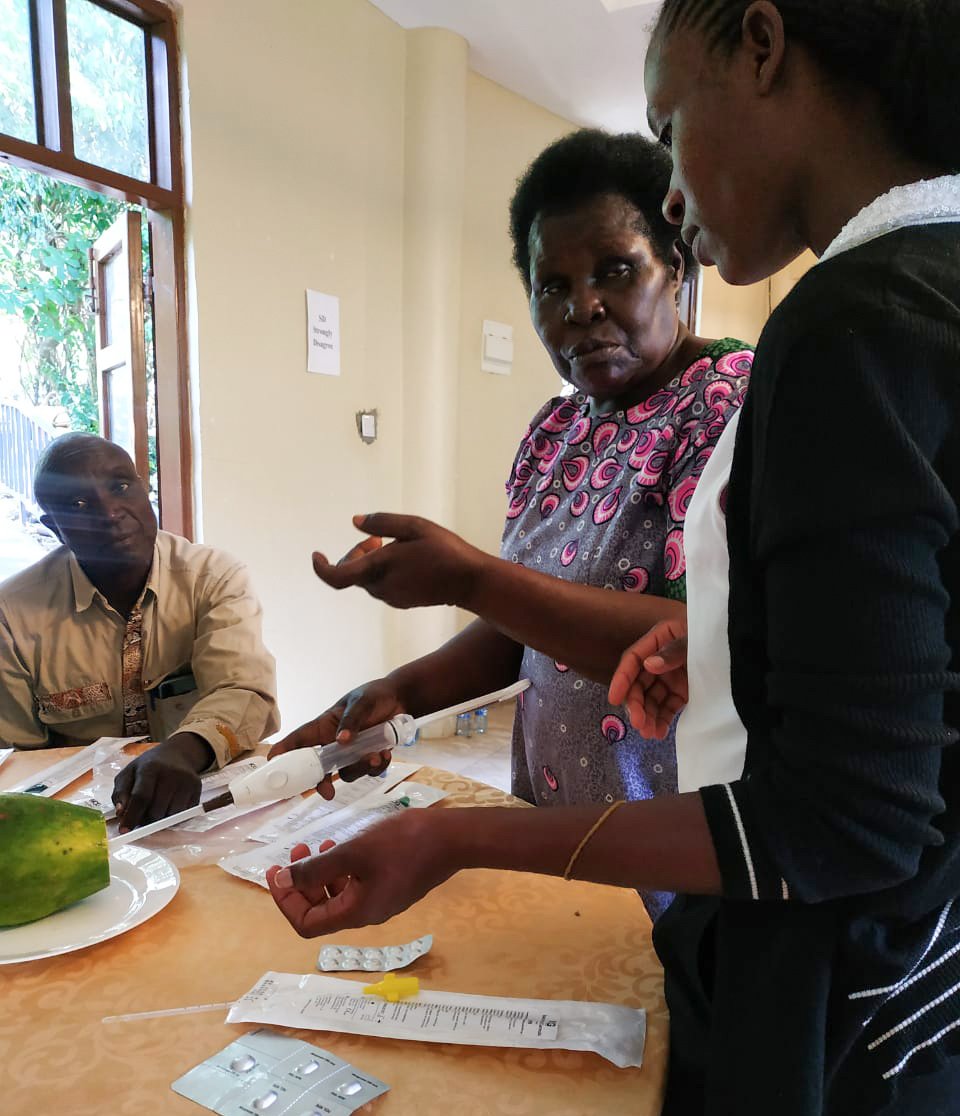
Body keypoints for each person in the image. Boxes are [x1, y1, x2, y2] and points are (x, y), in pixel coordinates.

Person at [266, 2, 960, 1116]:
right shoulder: (917, 297)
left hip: (819, 969)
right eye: (551, 287)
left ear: (760, 45)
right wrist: (417, 684)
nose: (678, 185)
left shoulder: (832, 339)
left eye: (667, 124)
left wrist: (461, 822)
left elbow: (833, 819)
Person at [273, 129, 753, 920]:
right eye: (550, 285)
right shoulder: (554, 429)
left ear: (678, 267)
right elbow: (521, 625)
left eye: (615, 270)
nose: (582, 308)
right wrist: (400, 690)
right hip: (552, 824)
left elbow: (692, 646)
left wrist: (469, 575)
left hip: (676, 843)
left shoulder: (725, 405)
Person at [0, 433, 279, 829]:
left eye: (120, 487)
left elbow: (243, 690)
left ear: (143, 491)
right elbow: (16, 758)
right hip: (83, 823)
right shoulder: (12, 613)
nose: (110, 512)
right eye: (78, 504)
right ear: (55, 527)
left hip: (205, 797)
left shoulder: (213, 577)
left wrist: (185, 750)